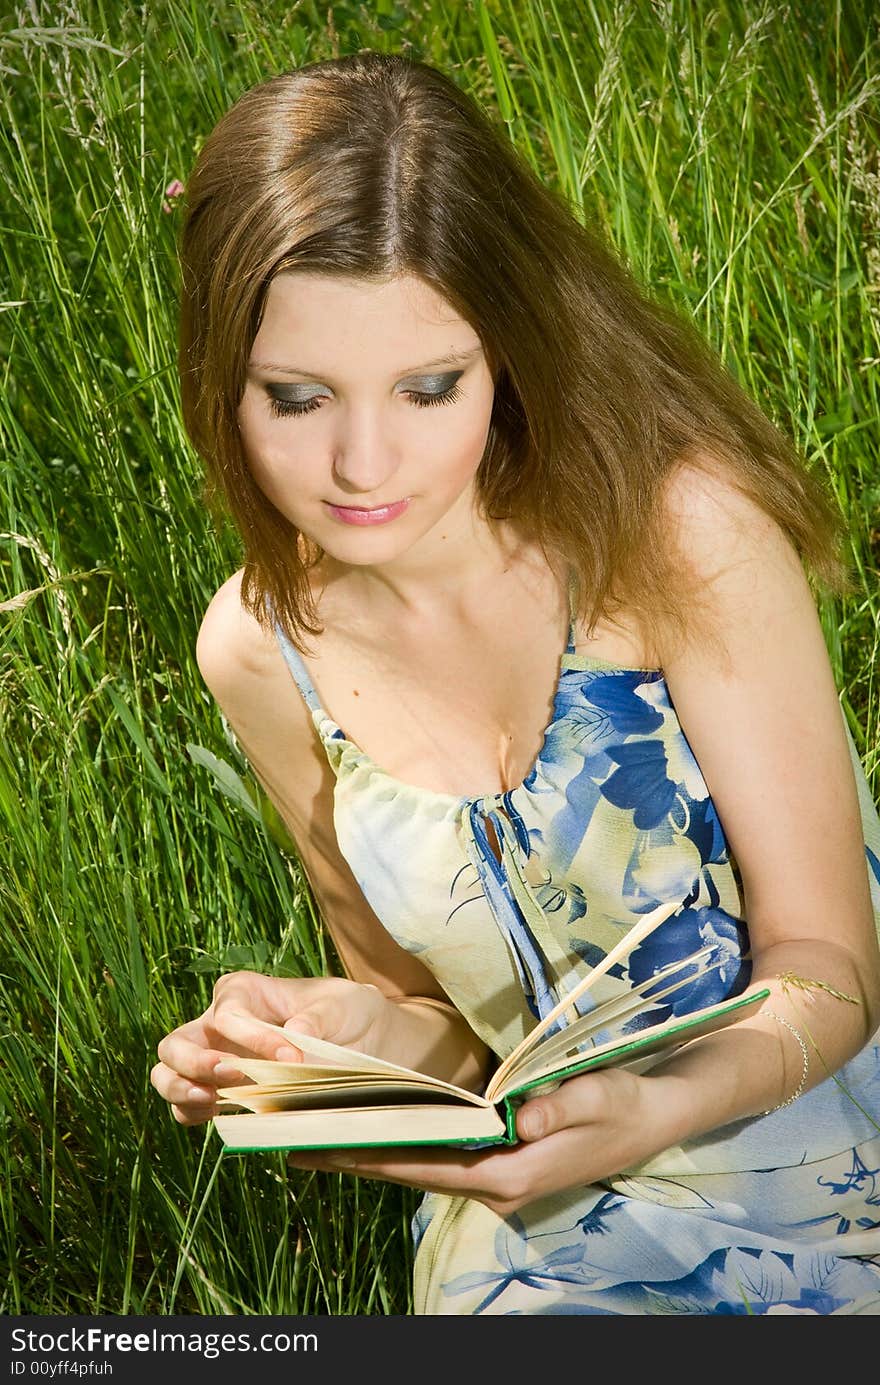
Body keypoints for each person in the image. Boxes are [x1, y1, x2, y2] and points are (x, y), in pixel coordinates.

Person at [150, 50, 880, 1315]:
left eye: (429, 388)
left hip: (828, 1145)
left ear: (506, 352)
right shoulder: (258, 649)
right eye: (298, 396)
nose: (362, 459)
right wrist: (316, 1042)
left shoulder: (673, 536)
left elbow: (829, 961)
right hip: (548, 1213)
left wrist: (658, 1102)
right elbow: (439, 1023)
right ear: (224, 381)